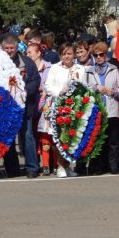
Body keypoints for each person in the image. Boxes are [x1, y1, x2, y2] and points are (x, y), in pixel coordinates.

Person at [1, 34, 41, 179]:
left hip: (25, 107)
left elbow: (35, 81)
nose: (9, 51)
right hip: (5, 108)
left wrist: (23, 92)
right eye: (7, 48)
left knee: (28, 135)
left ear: (17, 47)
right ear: (2, 48)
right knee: (9, 138)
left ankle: (32, 168)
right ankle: (12, 169)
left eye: (12, 48)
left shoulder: (27, 63)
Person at [45, 42, 85, 178]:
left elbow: (84, 85)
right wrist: (60, 92)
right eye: (63, 54)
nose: (66, 57)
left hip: (75, 106)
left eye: (69, 53)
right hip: (59, 106)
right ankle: (60, 165)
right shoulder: (55, 68)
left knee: (72, 137)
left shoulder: (80, 68)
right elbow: (48, 86)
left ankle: (67, 166)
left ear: (73, 54)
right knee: (60, 138)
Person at [85, 42, 119, 174]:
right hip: (97, 110)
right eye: (96, 55)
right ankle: (99, 167)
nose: (99, 57)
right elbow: (85, 87)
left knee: (113, 140)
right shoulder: (89, 71)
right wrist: (96, 87)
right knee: (98, 139)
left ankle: (114, 166)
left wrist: (113, 91)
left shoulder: (113, 69)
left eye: (101, 54)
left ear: (106, 54)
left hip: (112, 109)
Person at [26, 43, 55, 176]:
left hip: (45, 105)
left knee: (46, 136)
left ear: (38, 53)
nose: (28, 55)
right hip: (33, 103)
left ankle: (49, 164)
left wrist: (42, 88)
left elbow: (51, 83)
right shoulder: (26, 66)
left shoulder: (49, 67)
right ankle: (35, 162)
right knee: (32, 134)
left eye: (30, 52)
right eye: (27, 52)